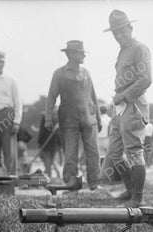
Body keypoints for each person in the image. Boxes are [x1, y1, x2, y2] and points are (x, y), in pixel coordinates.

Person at [100, 9, 152, 207]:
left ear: (130, 28)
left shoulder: (140, 48)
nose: (119, 35)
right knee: (114, 152)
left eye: (123, 31)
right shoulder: (123, 50)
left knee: (134, 152)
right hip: (119, 107)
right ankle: (130, 189)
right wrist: (118, 97)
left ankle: (138, 197)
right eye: (116, 33)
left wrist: (124, 95)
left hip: (134, 105)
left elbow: (146, 79)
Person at [44, 40, 102, 190]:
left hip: (89, 119)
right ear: (70, 54)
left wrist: (99, 118)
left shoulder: (86, 73)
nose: (83, 55)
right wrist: (48, 118)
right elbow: (51, 97)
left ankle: (94, 183)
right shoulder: (59, 73)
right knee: (70, 153)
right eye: (79, 52)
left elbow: (93, 97)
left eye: (83, 52)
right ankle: (71, 184)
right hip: (68, 120)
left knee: (93, 152)